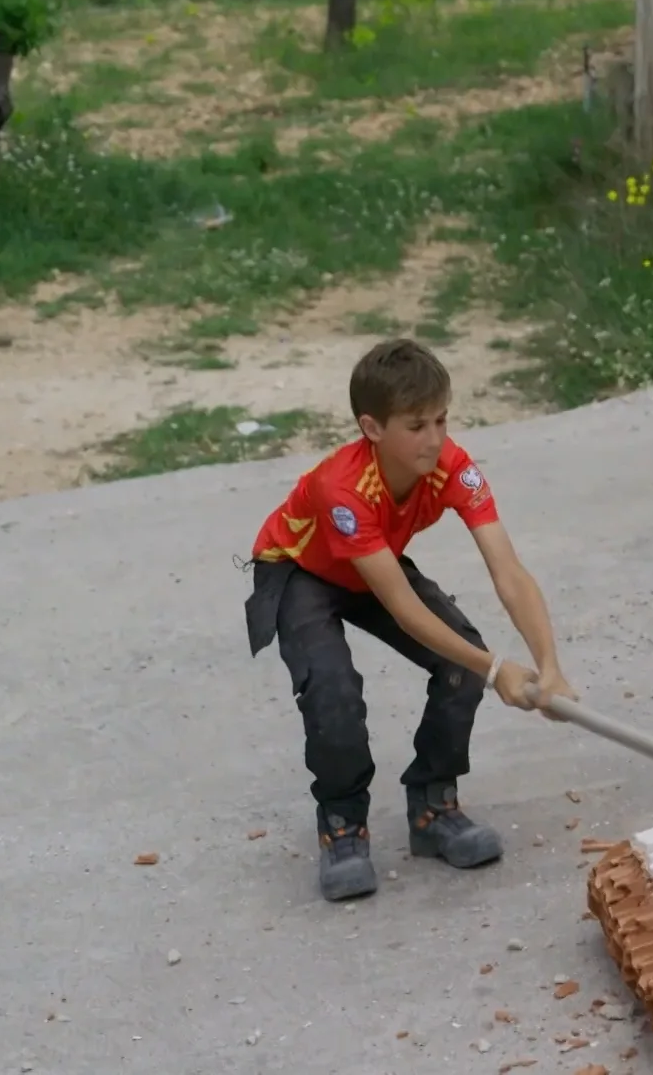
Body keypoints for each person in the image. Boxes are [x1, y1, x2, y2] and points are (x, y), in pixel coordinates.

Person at [242, 338, 575, 901]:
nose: (435, 439)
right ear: (372, 428)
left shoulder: (452, 468)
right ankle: (343, 823)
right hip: (302, 572)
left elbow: (508, 570)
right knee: (333, 690)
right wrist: (498, 670)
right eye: (416, 426)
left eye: (442, 419)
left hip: (371, 565)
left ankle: (432, 807)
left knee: (459, 663)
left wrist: (549, 665)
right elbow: (401, 607)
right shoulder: (342, 489)